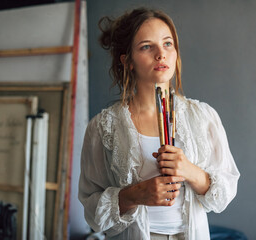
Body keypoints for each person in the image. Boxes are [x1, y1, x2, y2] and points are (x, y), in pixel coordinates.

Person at [78, 7, 240, 240]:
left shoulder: (204, 117)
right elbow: (91, 208)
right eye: (146, 46)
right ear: (128, 61)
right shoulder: (103, 127)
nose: (160, 54)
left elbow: (225, 192)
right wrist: (134, 195)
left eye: (167, 44)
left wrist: (189, 170)